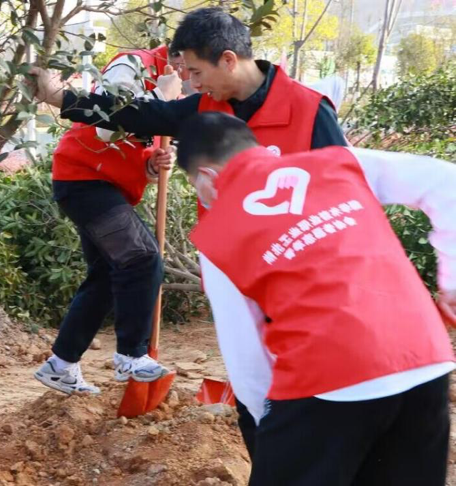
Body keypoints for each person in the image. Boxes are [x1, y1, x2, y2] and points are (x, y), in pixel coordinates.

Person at [30, 6, 348, 454]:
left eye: (196, 72)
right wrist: (61, 97)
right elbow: (138, 114)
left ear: (228, 60)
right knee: (253, 396)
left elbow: (347, 197)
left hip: (299, 282)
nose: (191, 83)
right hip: (236, 283)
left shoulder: (310, 111)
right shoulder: (205, 107)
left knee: (306, 393)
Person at [177, 111, 456, 486]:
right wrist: (452, 282)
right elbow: (446, 180)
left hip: (328, 374)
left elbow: (246, 359)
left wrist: (271, 427)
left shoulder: (215, 235)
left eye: (194, 184)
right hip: (425, 358)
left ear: (207, 176)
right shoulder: (338, 160)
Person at [32, 43, 180, 395]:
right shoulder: (134, 64)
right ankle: (131, 355)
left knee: (104, 276)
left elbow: (133, 142)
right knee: (142, 258)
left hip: (103, 183)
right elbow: (106, 125)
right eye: (197, 69)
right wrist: (161, 97)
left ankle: (61, 365)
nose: (198, 80)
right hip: (85, 178)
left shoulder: (167, 81)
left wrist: (151, 162)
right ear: (182, 56)